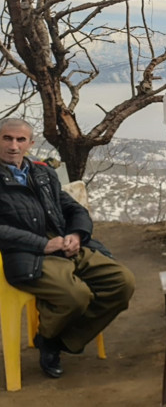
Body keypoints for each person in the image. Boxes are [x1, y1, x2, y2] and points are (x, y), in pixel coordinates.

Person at [0, 118, 135, 379]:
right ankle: (52, 340)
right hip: (25, 254)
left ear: (30, 143)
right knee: (76, 295)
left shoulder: (41, 173)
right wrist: (43, 244)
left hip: (65, 245)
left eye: (20, 140)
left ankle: (56, 340)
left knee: (122, 282)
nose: (14, 146)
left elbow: (74, 208)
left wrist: (76, 234)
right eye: (7, 138)